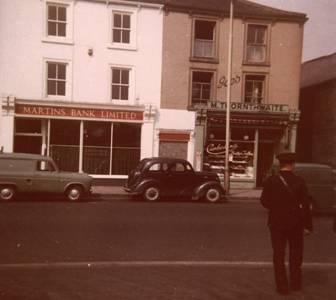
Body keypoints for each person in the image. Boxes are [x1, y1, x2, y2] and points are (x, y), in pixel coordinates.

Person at [260, 152, 313, 295]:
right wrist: (308, 226)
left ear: (280, 164)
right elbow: (306, 205)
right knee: (296, 254)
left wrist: (277, 207)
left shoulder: (271, 180)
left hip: (277, 223)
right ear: (292, 164)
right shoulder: (300, 181)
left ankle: (282, 287)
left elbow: (264, 201)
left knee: (278, 254)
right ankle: (295, 284)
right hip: (295, 223)